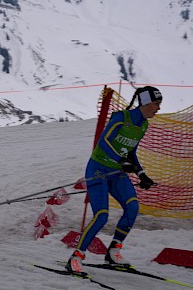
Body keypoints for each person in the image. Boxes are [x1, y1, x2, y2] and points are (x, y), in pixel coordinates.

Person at [65, 86, 162, 274]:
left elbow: (131, 152)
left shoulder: (143, 125)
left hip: (117, 173)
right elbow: (104, 142)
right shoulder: (121, 118)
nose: (158, 108)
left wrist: (141, 174)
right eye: (156, 104)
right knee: (102, 216)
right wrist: (121, 159)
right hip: (98, 170)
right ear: (145, 102)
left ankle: (114, 251)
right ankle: (76, 257)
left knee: (132, 207)